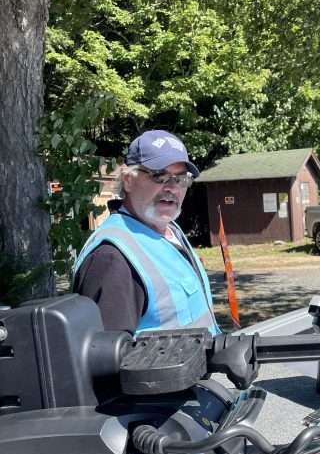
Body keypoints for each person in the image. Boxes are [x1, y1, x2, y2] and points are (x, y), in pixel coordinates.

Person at [73, 129, 219, 335]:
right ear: (128, 180)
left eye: (181, 178)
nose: (172, 187)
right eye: (159, 176)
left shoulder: (169, 230)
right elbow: (107, 361)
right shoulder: (112, 259)